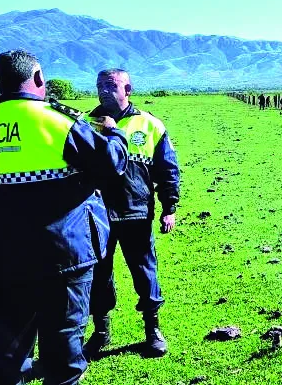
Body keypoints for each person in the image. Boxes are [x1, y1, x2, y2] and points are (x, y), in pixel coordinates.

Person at [0, 50, 127, 385]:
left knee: (8, 352)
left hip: (1, 258)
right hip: (62, 256)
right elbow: (112, 164)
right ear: (37, 78)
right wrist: (115, 133)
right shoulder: (58, 122)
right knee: (63, 355)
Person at [84, 69, 181, 358]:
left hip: (136, 211)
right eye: (100, 85)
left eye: (111, 85)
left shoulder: (150, 124)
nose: (104, 90)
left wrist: (169, 208)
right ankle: (101, 332)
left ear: (128, 89)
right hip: (96, 215)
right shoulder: (86, 124)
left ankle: (153, 330)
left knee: (145, 271)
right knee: (98, 274)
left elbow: (168, 169)